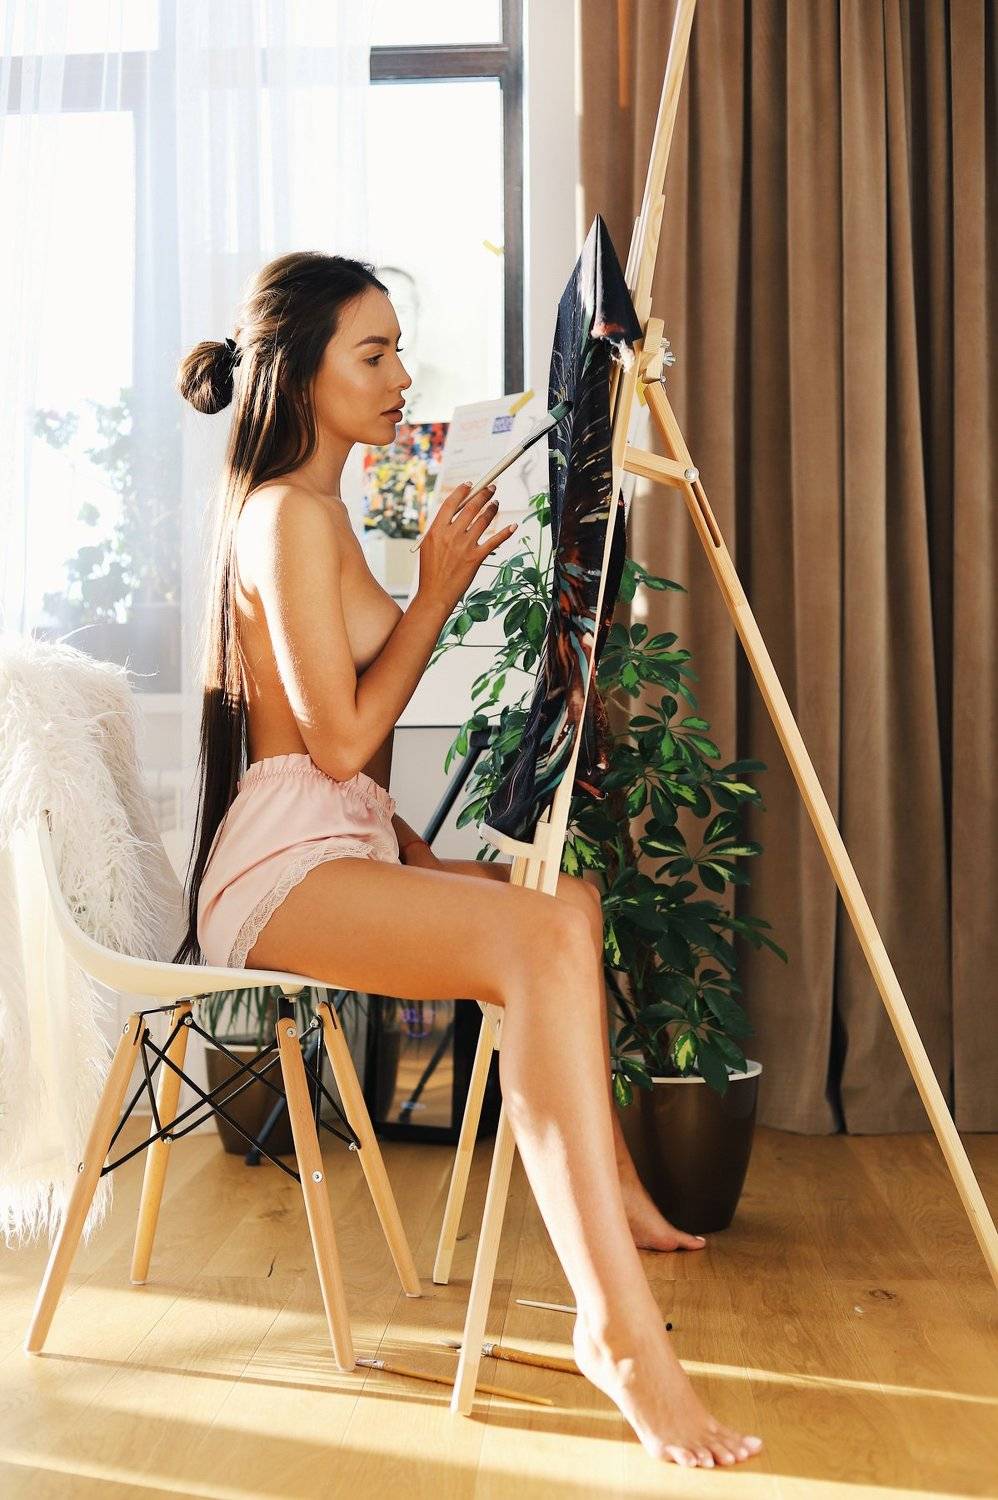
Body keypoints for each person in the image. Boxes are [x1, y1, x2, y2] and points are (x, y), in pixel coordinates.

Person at [172, 250, 764, 1470]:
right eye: (373, 353)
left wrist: (411, 846)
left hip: (331, 844)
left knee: (567, 900)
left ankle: (616, 1196)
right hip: (276, 874)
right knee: (538, 937)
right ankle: (615, 1333)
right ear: (303, 375)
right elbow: (339, 740)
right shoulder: (284, 516)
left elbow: (345, 759)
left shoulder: (318, 514)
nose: (401, 377)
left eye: (398, 349)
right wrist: (437, 588)